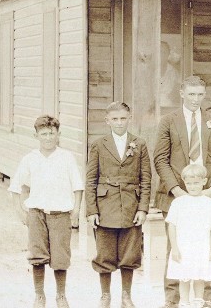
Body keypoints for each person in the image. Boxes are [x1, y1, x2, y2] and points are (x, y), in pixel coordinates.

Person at [154, 75, 211, 308]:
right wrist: (175, 189)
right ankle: (173, 298)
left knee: (204, 244)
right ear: (182, 93)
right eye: (191, 94)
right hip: (178, 194)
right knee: (176, 245)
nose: (196, 99)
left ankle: (205, 297)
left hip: (205, 194)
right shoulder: (168, 121)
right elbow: (160, 159)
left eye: (200, 94)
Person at [9, 115, 84, 308]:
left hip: (60, 214)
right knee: (37, 254)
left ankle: (61, 295)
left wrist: (75, 210)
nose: (48, 138)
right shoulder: (30, 159)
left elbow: (77, 186)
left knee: (60, 257)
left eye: (52, 133)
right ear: (36, 135)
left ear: (58, 134)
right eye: (43, 134)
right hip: (36, 213)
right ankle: (39, 295)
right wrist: (20, 211)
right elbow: (15, 186)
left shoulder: (66, 157)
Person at [85, 102, 152, 308]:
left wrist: (142, 208)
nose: (119, 123)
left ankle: (126, 295)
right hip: (106, 206)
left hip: (131, 206)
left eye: (123, 118)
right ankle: (105, 295)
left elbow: (146, 178)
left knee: (129, 252)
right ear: (107, 121)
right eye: (114, 119)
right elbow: (90, 180)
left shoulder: (138, 144)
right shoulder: (98, 144)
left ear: (129, 118)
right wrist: (92, 210)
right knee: (104, 253)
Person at [166, 163, 211, 308]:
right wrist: (175, 248)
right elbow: (172, 226)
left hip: (201, 246)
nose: (192, 186)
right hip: (184, 246)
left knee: (199, 277)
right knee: (184, 277)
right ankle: (184, 303)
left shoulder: (209, 203)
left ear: (204, 182)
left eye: (196, 183)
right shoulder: (178, 203)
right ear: (184, 183)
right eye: (189, 183)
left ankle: (198, 302)